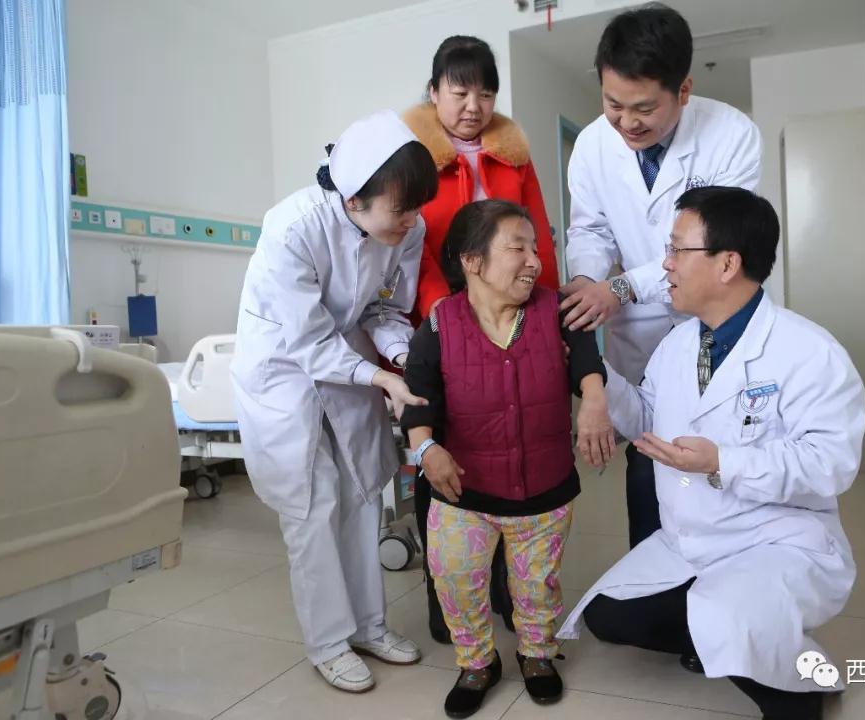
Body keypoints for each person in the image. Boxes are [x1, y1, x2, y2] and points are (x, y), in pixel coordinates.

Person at [558, 186, 865, 720]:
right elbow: (648, 419)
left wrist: (722, 462)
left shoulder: (809, 352)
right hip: (693, 540)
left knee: (727, 618)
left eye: (678, 250)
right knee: (608, 617)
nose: (666, 264)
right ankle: (740, 632)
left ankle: (801, 686)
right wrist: (594, 377)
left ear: (727, 264)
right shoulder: (679, 345)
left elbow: (830, 464)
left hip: (776, 540)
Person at [230, 110, 439, 694]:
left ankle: (369, 626)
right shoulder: (293, 227)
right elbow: (308, 339)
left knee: (362, 493)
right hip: (282, 368)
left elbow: (384, 308)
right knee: (313, 502)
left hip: (349, 360)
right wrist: (377, 378)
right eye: (401, 210)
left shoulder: (407, 229)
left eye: (416, 207)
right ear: (353, 199)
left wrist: (402, 359)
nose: (412, 221)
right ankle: (327, 642)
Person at [559, 2, 763, 549]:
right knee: (649, 465)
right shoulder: (593, 146)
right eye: (613, 104)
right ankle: (654, 579)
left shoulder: (731, 135)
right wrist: (586, 282)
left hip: (714, 321)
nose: (627, 122)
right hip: (640, 333)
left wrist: (620, 287)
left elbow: (713, 244)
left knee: (717, 466)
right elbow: (590, 229)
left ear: (684, 89)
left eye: (644, 107)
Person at [401, 200, 614, 718]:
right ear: (472, 261)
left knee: (537, 585)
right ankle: (477, 663)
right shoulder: (439, 324)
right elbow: (418, 399)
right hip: (463, 491)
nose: (534, 262)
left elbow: (586, 362)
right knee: (456, 580)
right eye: (518, 248)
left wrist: (594, 401)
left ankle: (536, 654)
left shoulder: (556, 311)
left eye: (536, 248)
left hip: (544, 487)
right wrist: (427, 450)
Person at [402, 35, 561, 644]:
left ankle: (506, 590)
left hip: (510, 317)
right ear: (434, 91)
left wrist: (545, 315)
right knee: (441, 451)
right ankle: (448, 602)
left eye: (486, 93)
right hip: (441, 318)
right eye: (460, 91)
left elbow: (536, 241)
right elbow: (411, 248)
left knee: (506, 442)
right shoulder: (413, 155)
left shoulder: (513, 156)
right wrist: (439, 318)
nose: (474, 105)